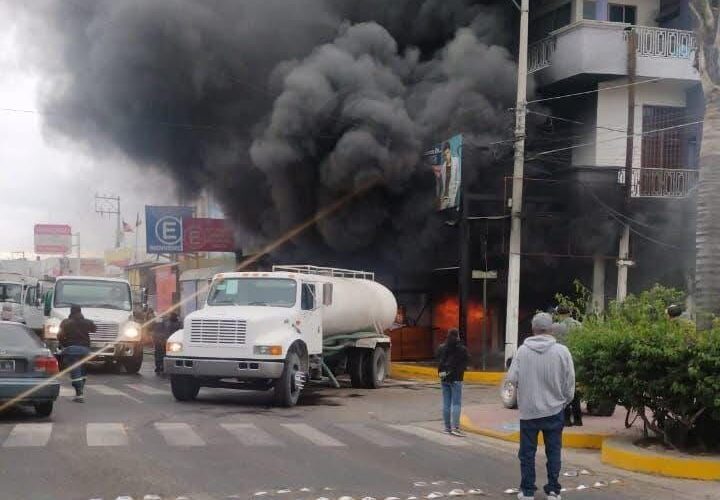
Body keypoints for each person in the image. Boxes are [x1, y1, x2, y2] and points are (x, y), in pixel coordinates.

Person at [507, 312, 576, 500]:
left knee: (527, 453)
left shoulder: (522, 351)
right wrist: (563, 402)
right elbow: (570, 385)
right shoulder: (562, 352)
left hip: (529, 412)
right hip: (554, 411)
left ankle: (527, 490)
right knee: (553, 452)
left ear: (533, 329)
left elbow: (511, 378)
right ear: (551, 329)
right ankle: (553, 490)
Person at [57, 305, 96, 403]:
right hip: (85, 350)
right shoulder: (87, 322)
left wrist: (64, 345)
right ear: (80, 311)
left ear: (71, 311)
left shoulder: (66, 323)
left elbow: (60, 335)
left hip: (72, 349)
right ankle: (80, 390)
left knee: (76, 371)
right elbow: (94, 329)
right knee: (82, 370)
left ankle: (79, 394)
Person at [552, 305, 583, 427]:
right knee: (575, 390)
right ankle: (578, 419)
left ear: (558, 314)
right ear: (569, 313)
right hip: (578, 361)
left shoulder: (556, 327)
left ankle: (566, 420)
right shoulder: (579, 326)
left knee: (563, 390)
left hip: (563, 362)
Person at [437, 328, 470, 436]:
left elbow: (437, 359)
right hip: (456, 379)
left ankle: (447, 428)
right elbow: (467, 361)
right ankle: (455, 428)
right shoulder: (461, 349)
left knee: (446, 403)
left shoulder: (441, 348)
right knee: (456, 403)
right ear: (457, 337)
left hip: (444, 378)